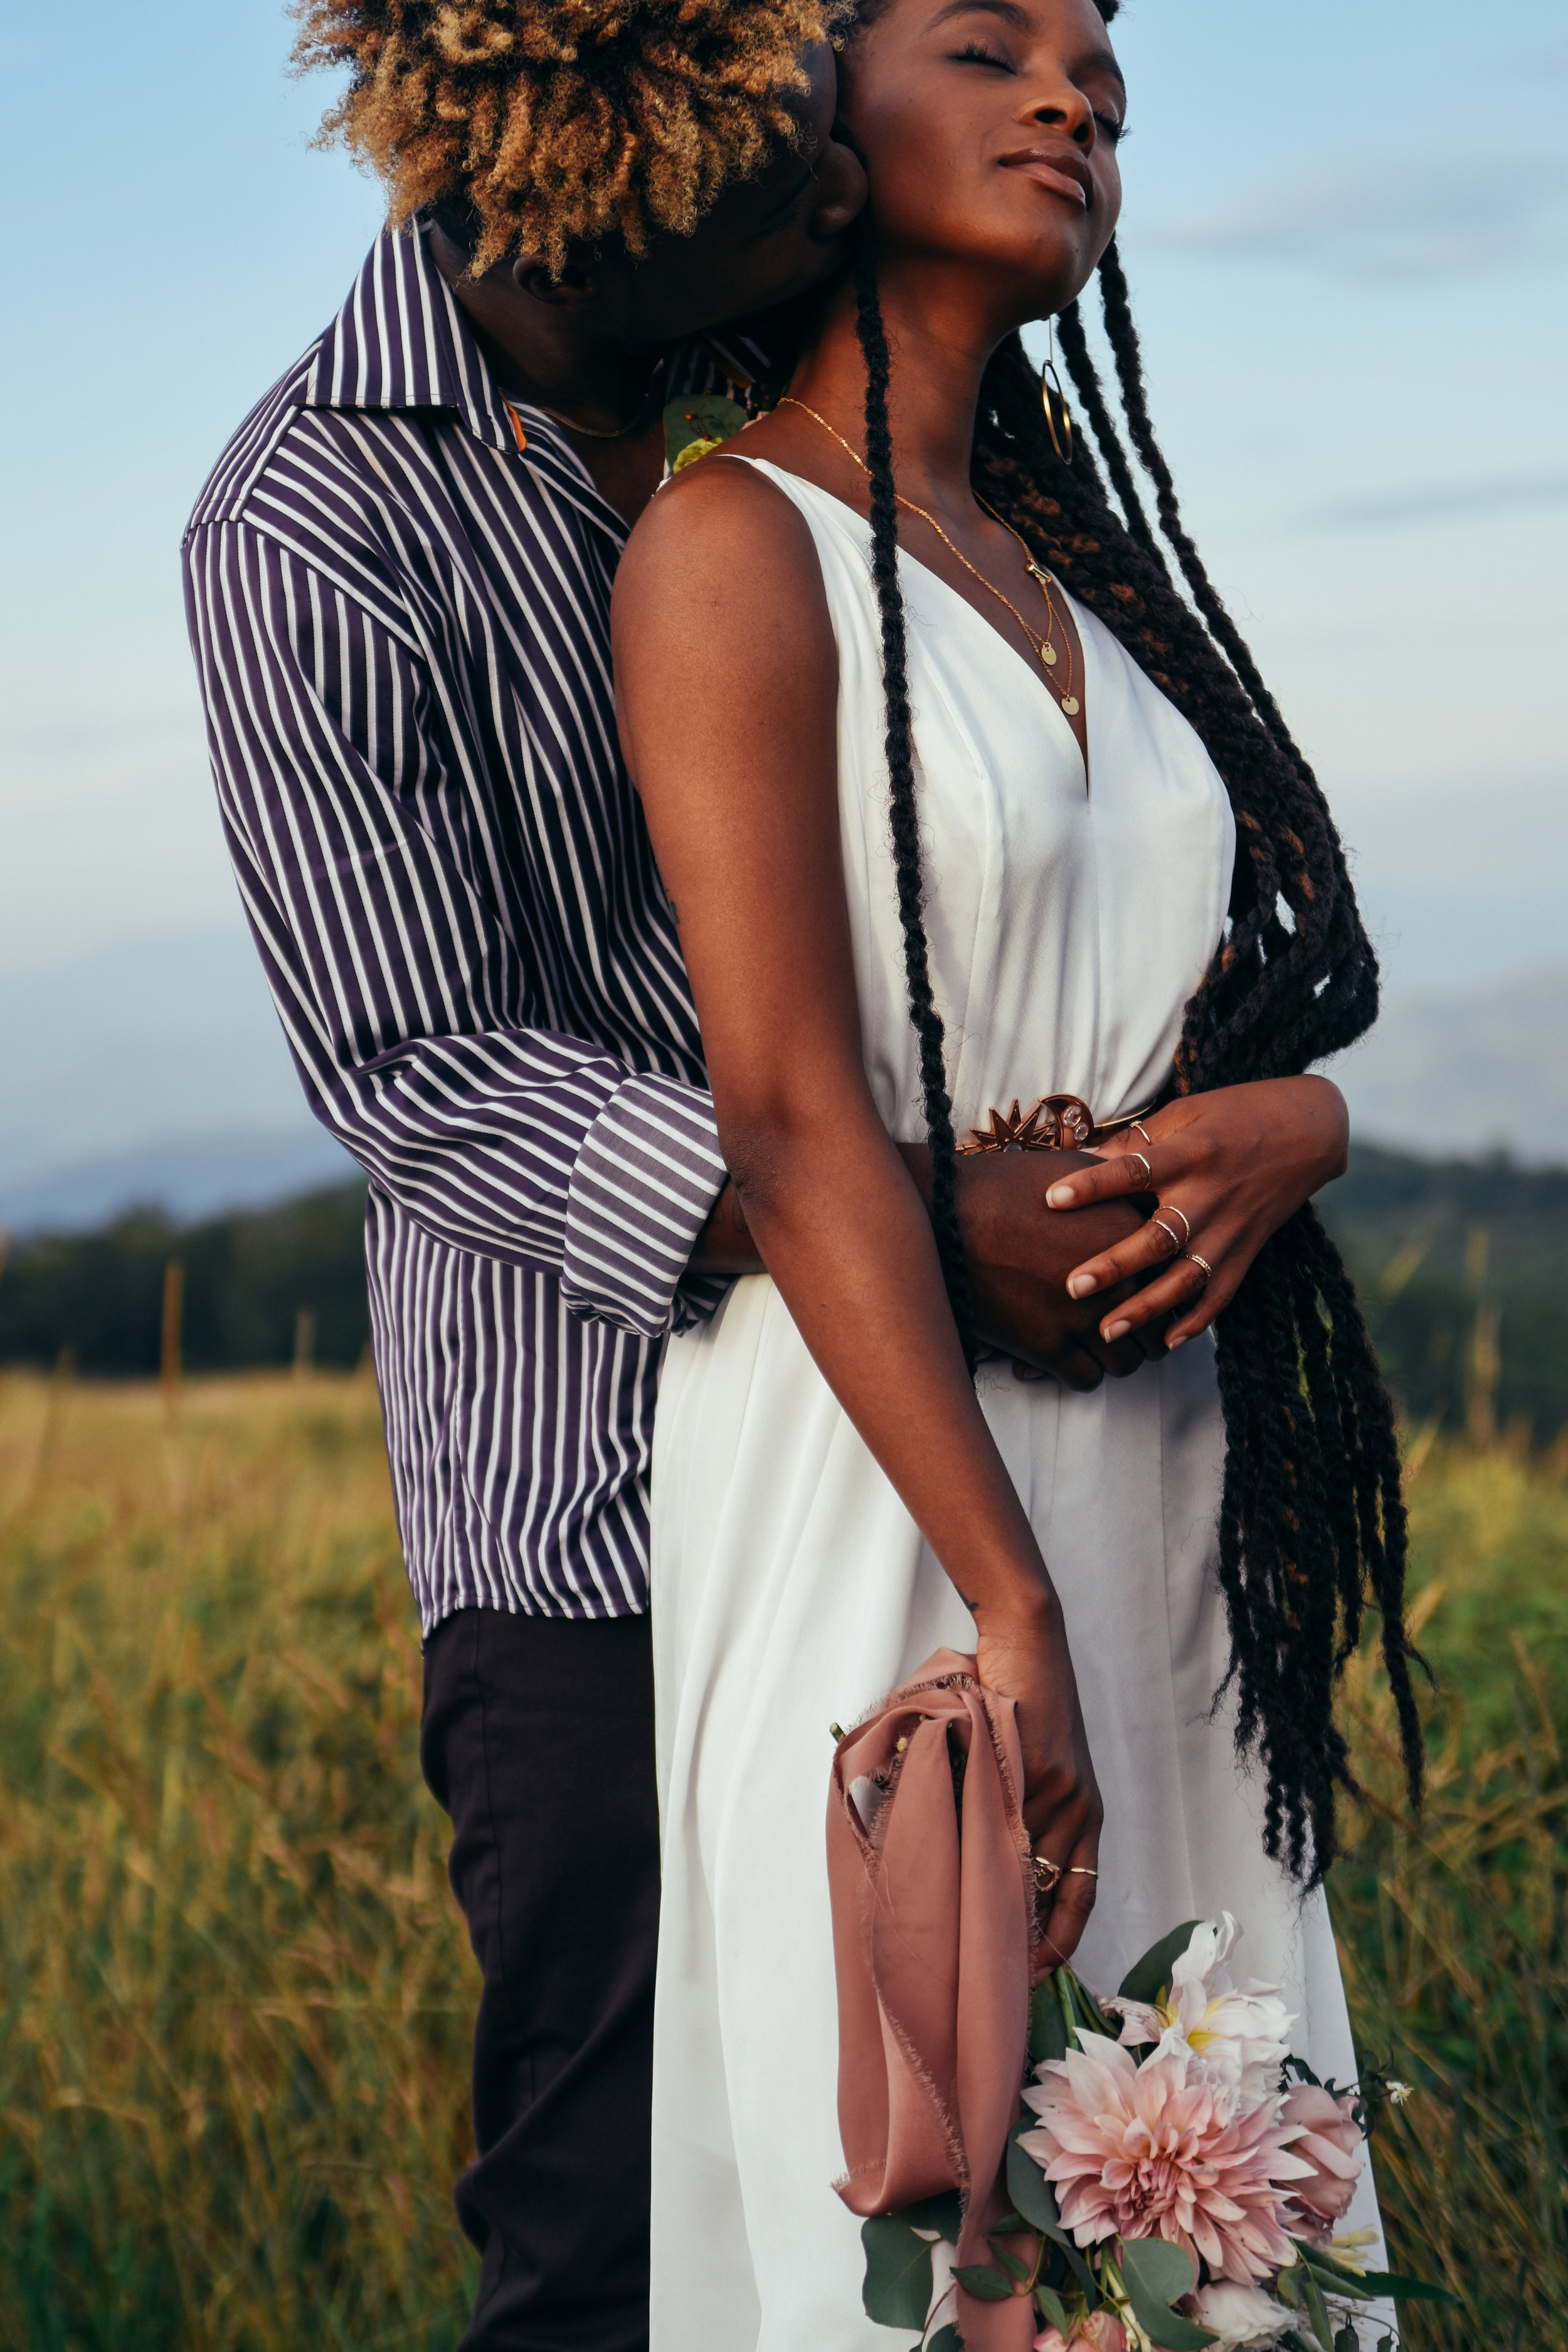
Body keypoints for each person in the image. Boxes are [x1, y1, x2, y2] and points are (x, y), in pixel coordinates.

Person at [183, 5, 1175, 2345]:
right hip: (594, 1512)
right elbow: (416, 1053)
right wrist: (905, 1220)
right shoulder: (314, 521)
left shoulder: (791, 409)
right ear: (594, 208)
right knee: (628, 2217)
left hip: (957, 1463)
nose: (843, 201)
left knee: (1013, 2203)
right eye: (791, 186)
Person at [612, 0, 1424, 2342]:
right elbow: (778, 1114)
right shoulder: (723, 541)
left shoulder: (1080, 583)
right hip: (889, 1482)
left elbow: (1239, 1023)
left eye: (1102, 72)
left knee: (1208, 2201)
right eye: (989, 46)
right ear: (815, 129)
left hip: (1157, 1480)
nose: (1074, 95)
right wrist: (1007, 1601)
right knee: (933, 2196)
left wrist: (1308, 1124)